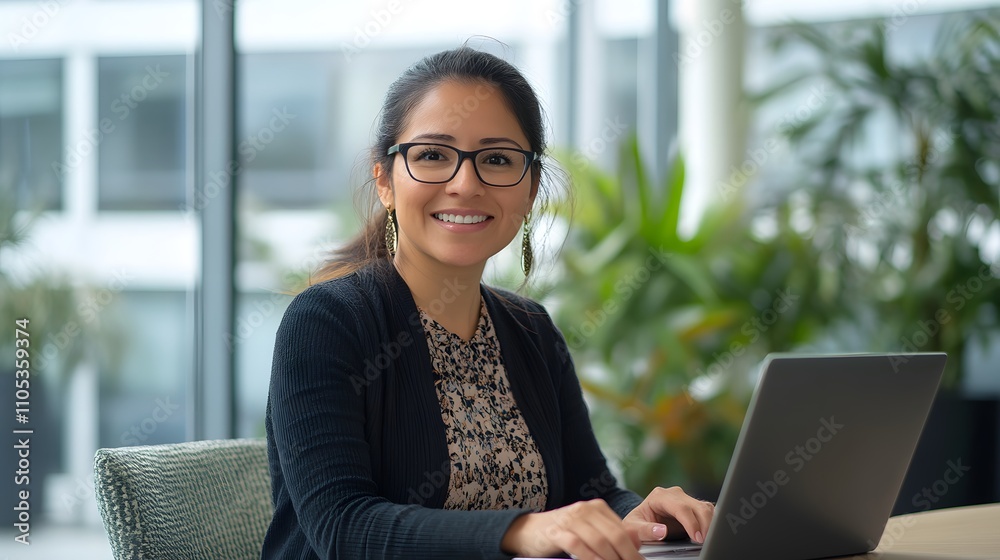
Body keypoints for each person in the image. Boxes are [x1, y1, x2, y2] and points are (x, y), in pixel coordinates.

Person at [262, 45, 715, 560]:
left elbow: (592, 496)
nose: (465, 184)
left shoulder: (532, 330)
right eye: (433, 155)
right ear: (385, 180)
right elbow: (343, 528)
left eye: (497, 159)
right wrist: (520, 530)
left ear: (530, 189)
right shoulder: (327, 322)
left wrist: (639, 518)